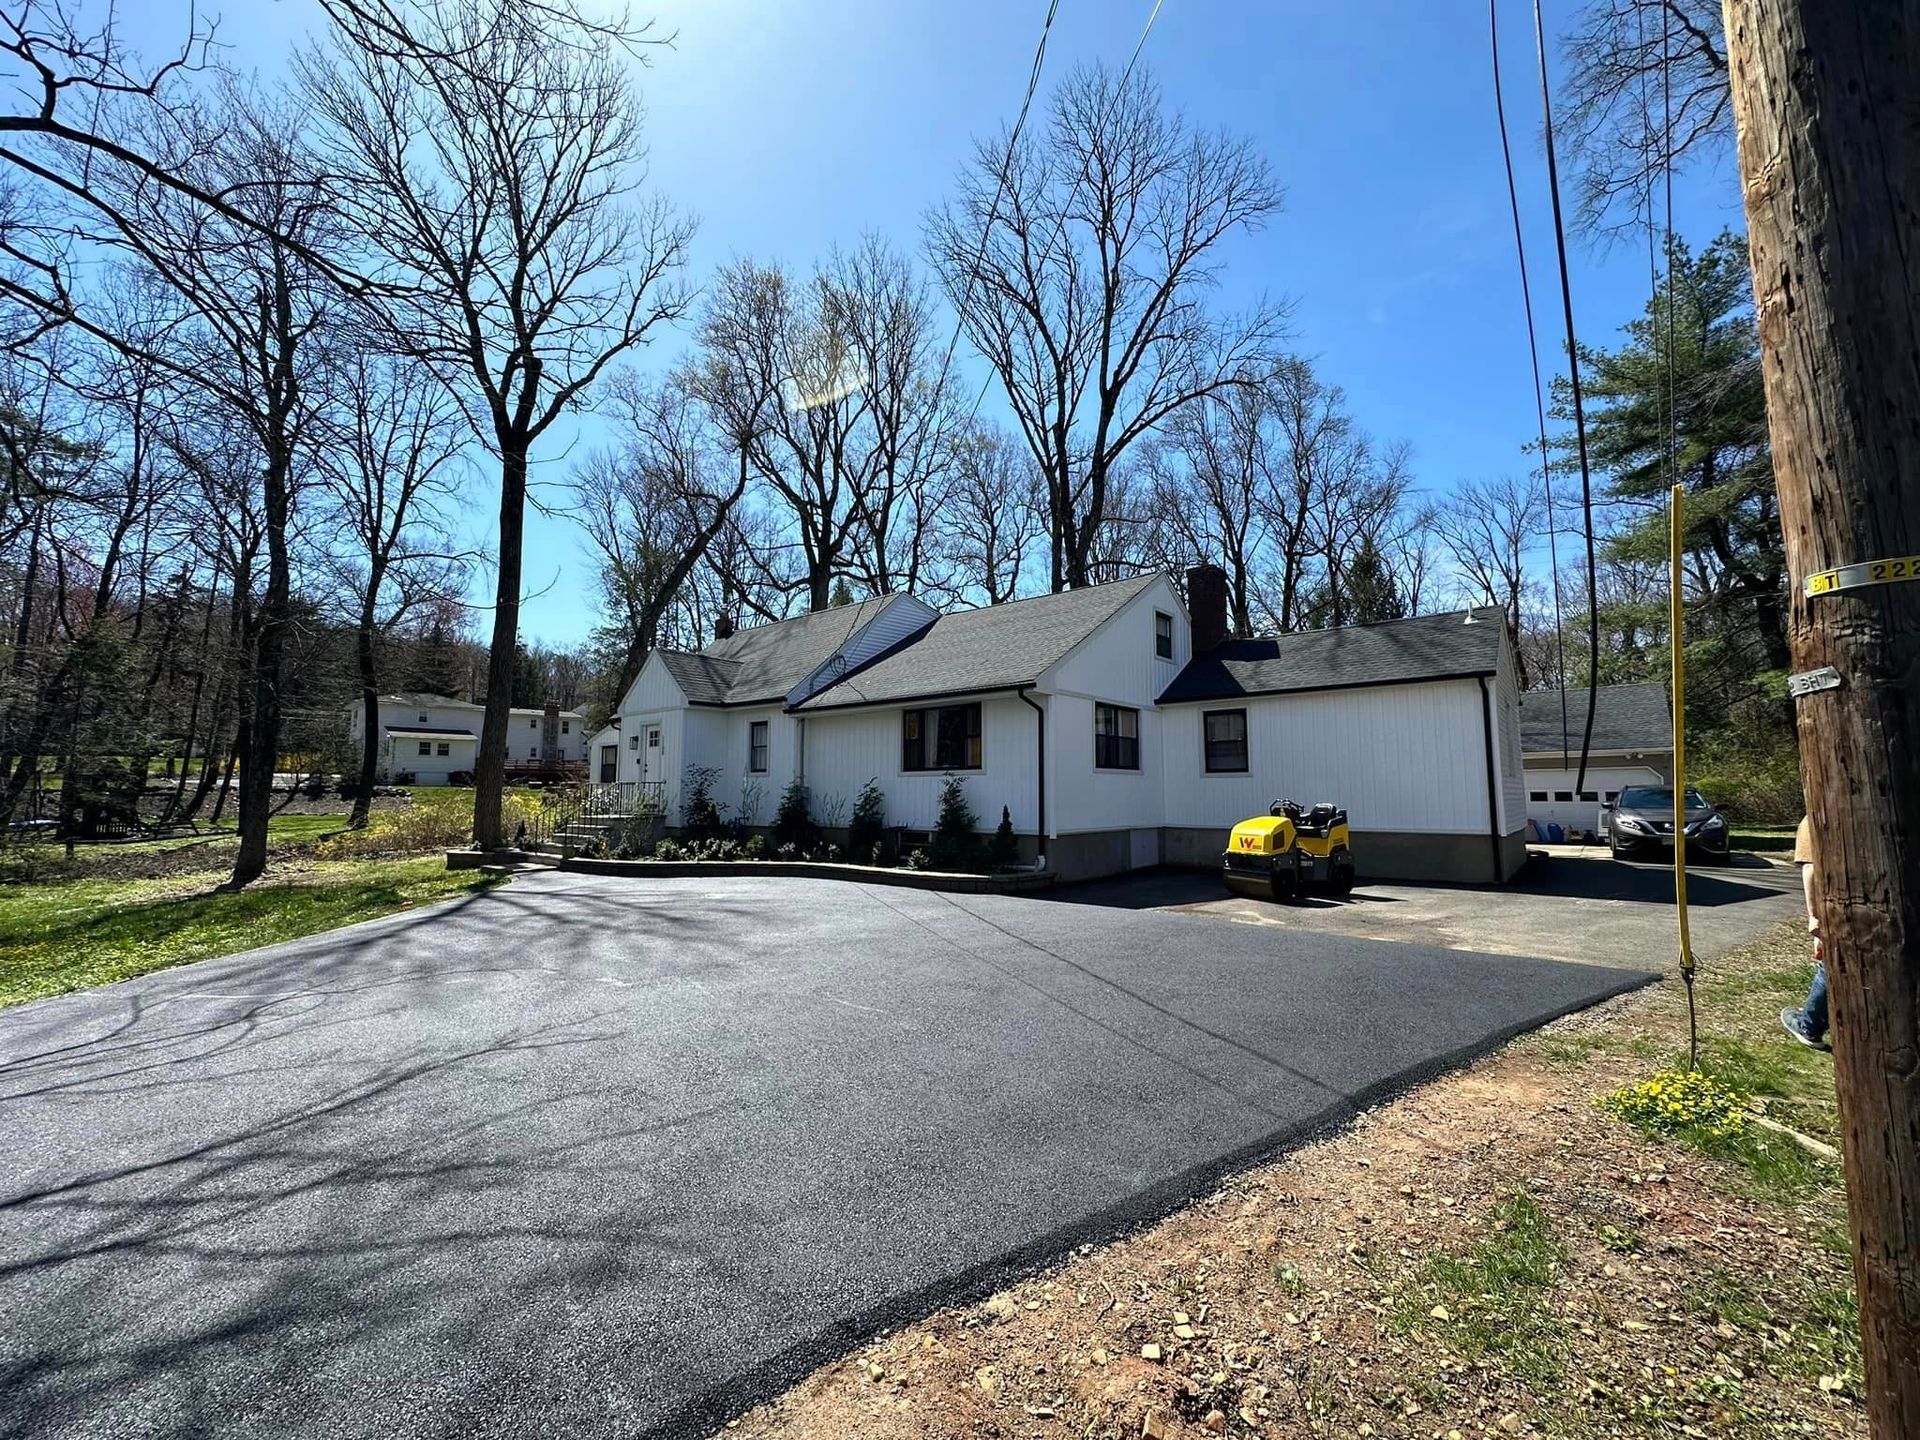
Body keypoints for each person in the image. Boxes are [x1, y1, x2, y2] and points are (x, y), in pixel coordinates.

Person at [1781, 814, 1830, 1048]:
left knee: (1829, 966)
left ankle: (1809, 1027)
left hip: (1839, 911)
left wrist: (1815, 917)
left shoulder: (1815, 818)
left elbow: (1811, 867)